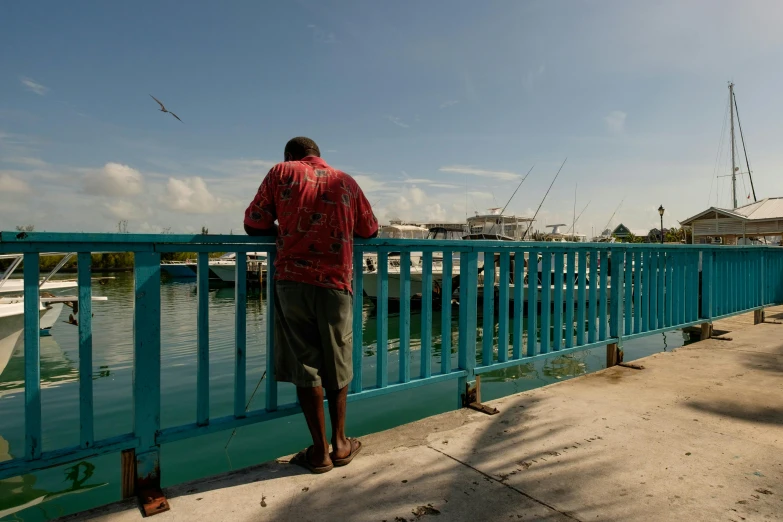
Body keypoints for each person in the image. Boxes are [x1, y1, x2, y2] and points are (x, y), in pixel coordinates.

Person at [244, 137, 378, 474]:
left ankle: (319, 453)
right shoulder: (345, 181)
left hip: (293, 281)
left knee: (305, 363)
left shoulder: (281, 172)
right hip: (336, 283)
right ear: (318, 155)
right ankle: (342, 443)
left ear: (290, 155)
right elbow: (371, 230)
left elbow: (253, 223)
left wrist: (284, 228)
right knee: (338, 357)